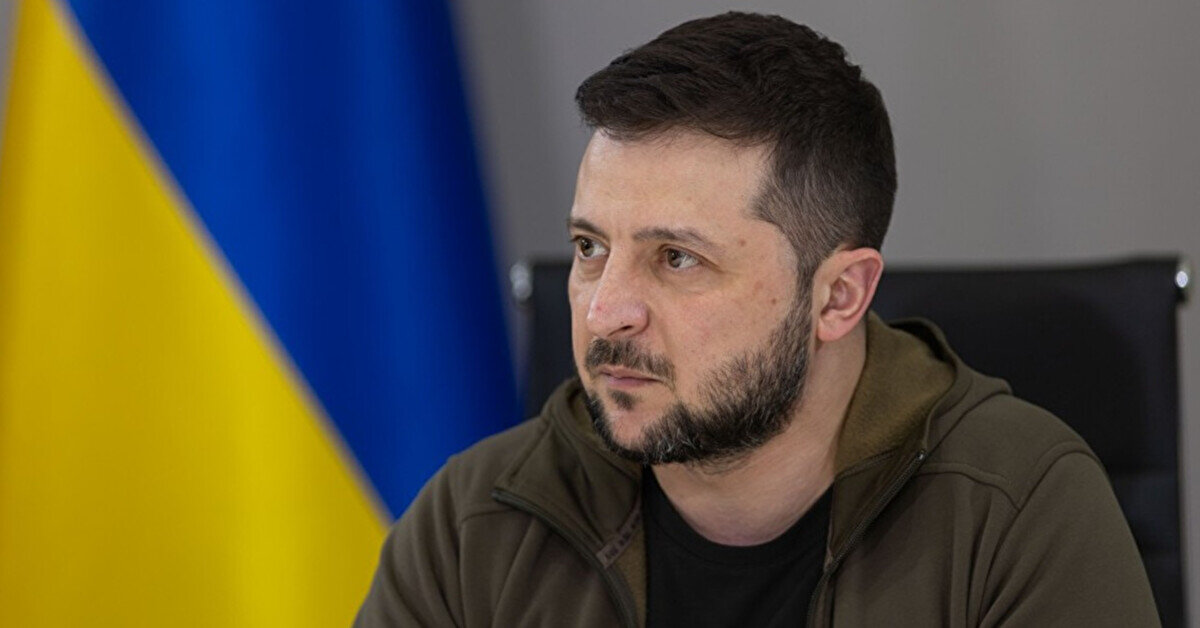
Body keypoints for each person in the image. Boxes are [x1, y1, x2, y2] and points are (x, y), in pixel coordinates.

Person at [356, 12, 1160, 627]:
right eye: (590, 247)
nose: (605, 310)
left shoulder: (1017, 512)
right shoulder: (475, 523)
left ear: (838, 297)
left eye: (677, 258)